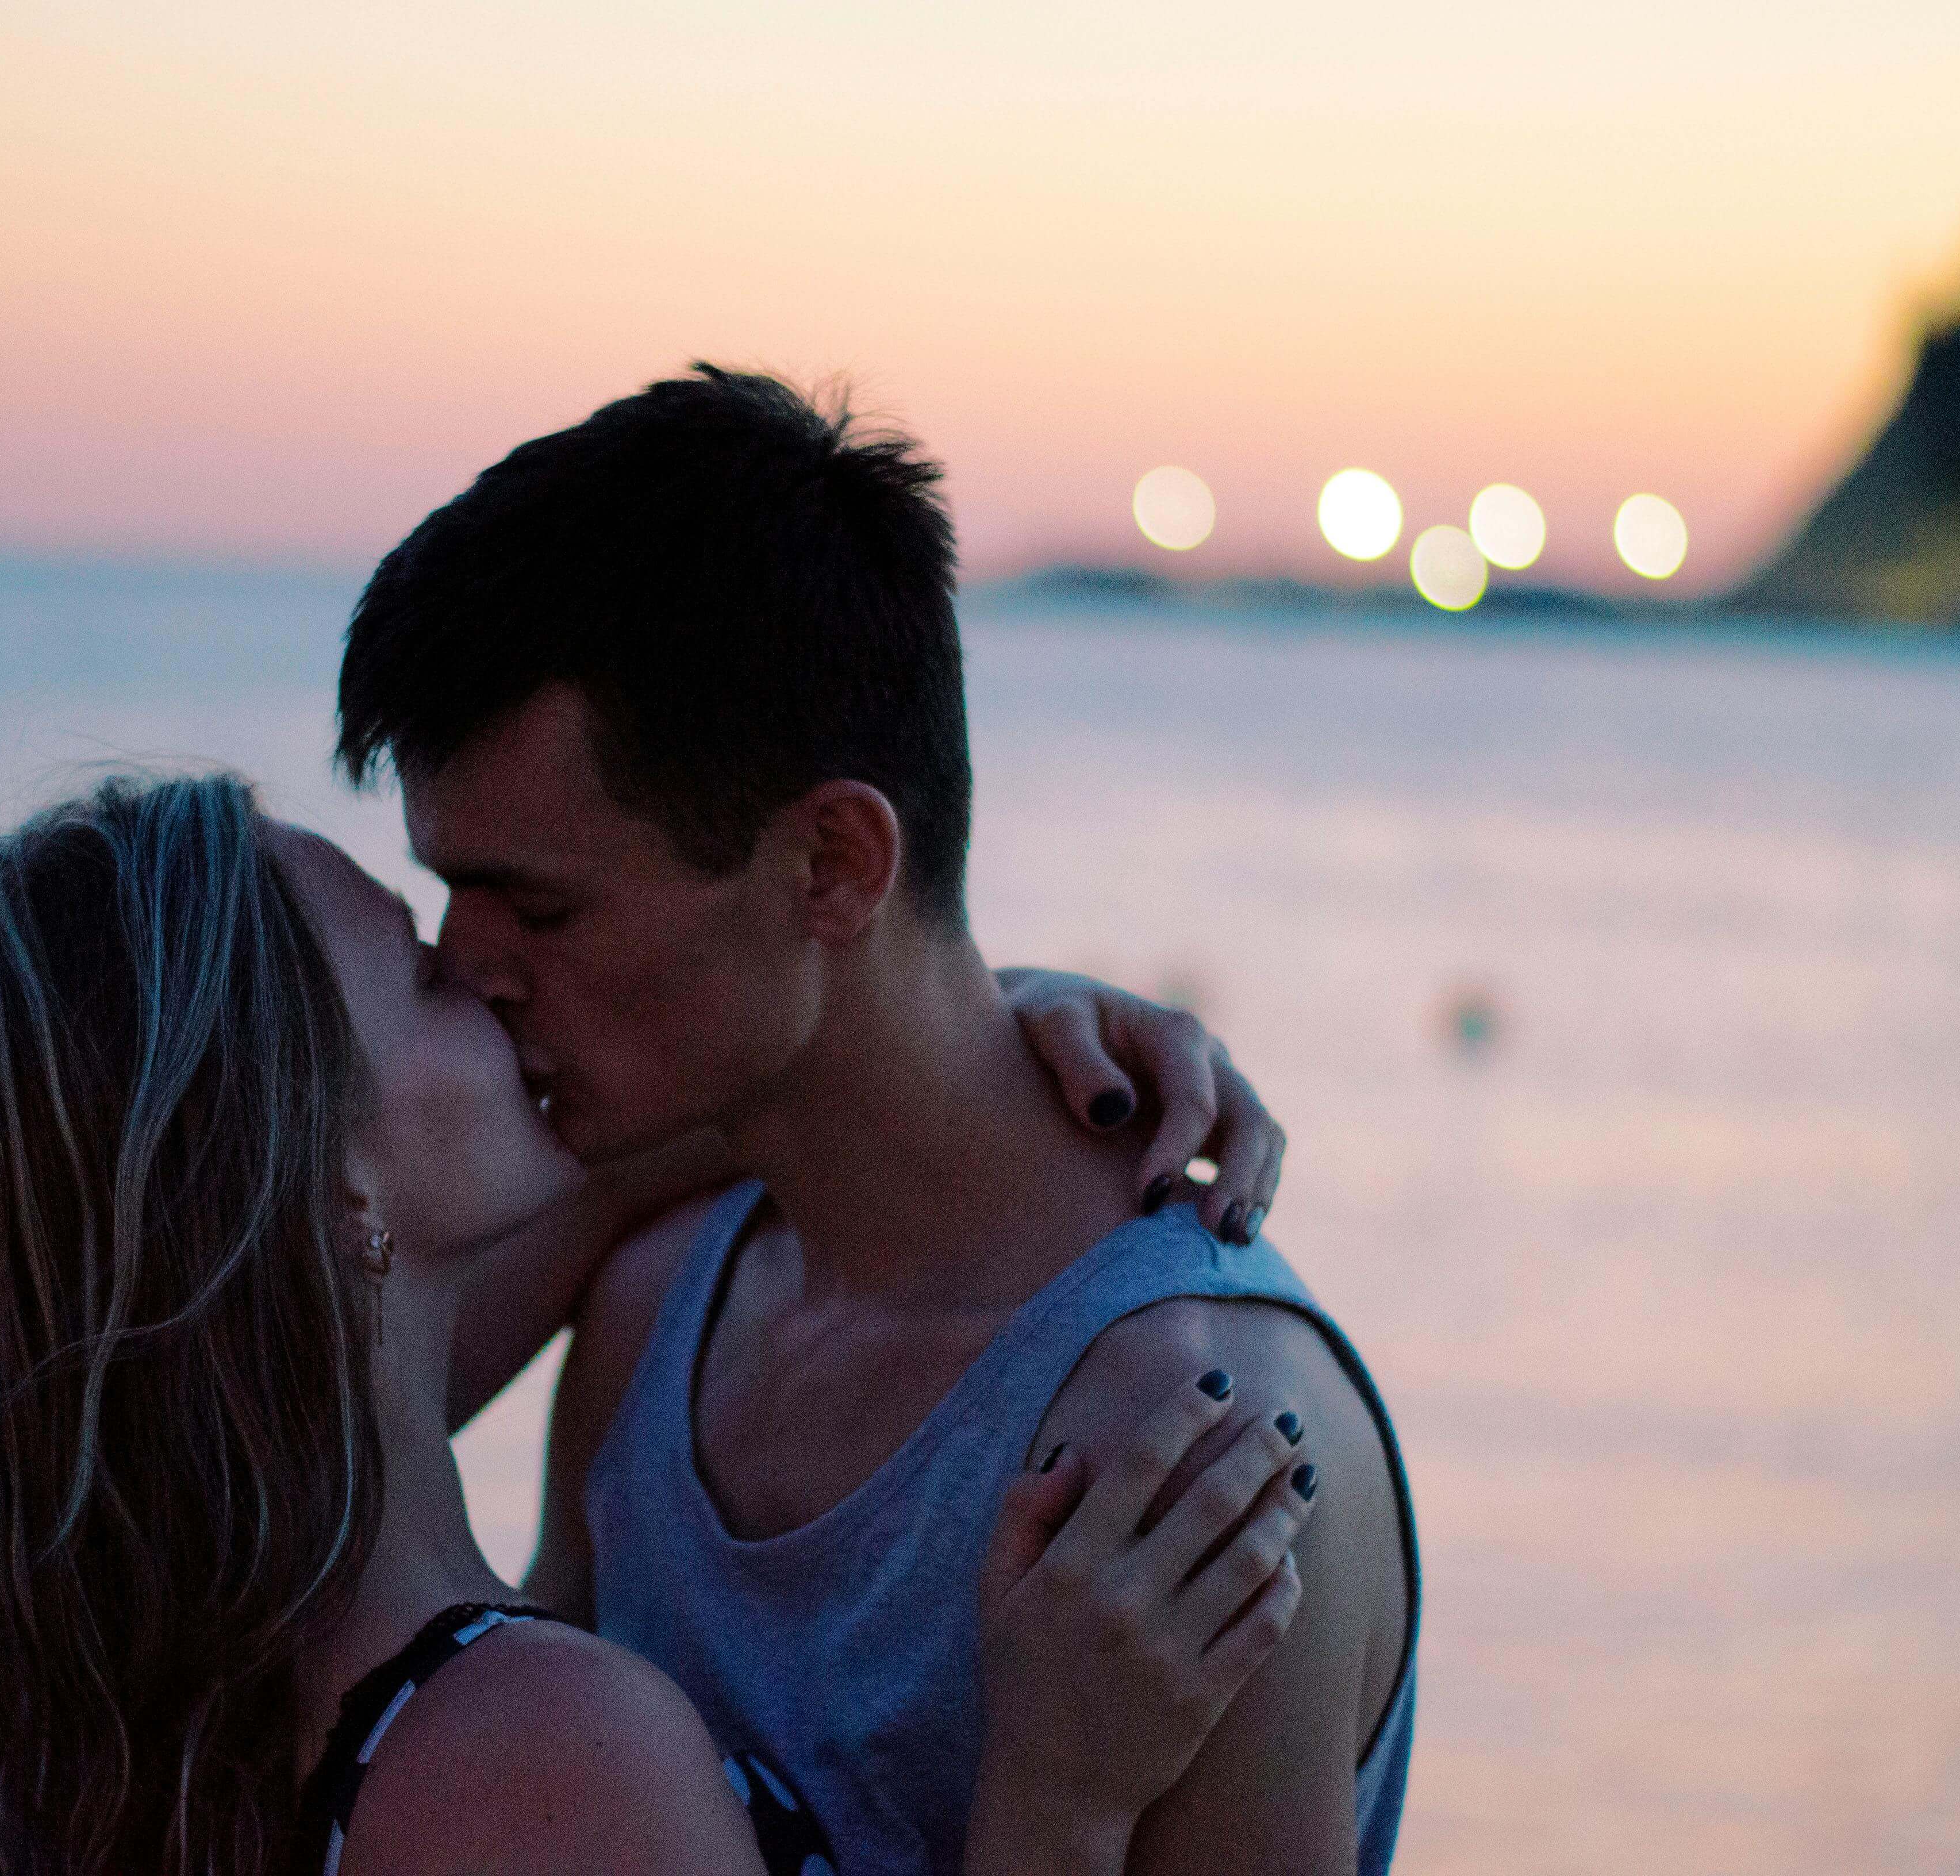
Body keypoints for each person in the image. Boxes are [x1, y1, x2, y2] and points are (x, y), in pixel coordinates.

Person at [0, 772, 1327, 1876]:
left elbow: (634, 1157)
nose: (488, 976)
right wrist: (1056, 1800)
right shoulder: (532, 1764)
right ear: (332, 1198)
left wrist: (949, 1044)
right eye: (421, 973)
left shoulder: (153, 1703)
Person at [337, 366, 1420, 1875]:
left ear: (836, 864)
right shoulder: (657, 1314)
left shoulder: (1190, 1440)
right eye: (453, 891)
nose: (462, 969)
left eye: (541, 906)